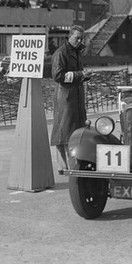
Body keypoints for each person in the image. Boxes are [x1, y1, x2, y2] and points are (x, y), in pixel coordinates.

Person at [50, 25, 92, 171]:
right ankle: (65, 166)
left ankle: (74, 164)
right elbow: (58, 76)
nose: (79, 41)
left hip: (75, 96)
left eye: (81, 38)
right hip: (65, 97)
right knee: (65, 131)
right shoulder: (61, 53)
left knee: (77, 129)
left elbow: (75, 74)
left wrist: (84, 77)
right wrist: (80, 75)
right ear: (69, 37)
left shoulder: (77, 51)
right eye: (77, 38)